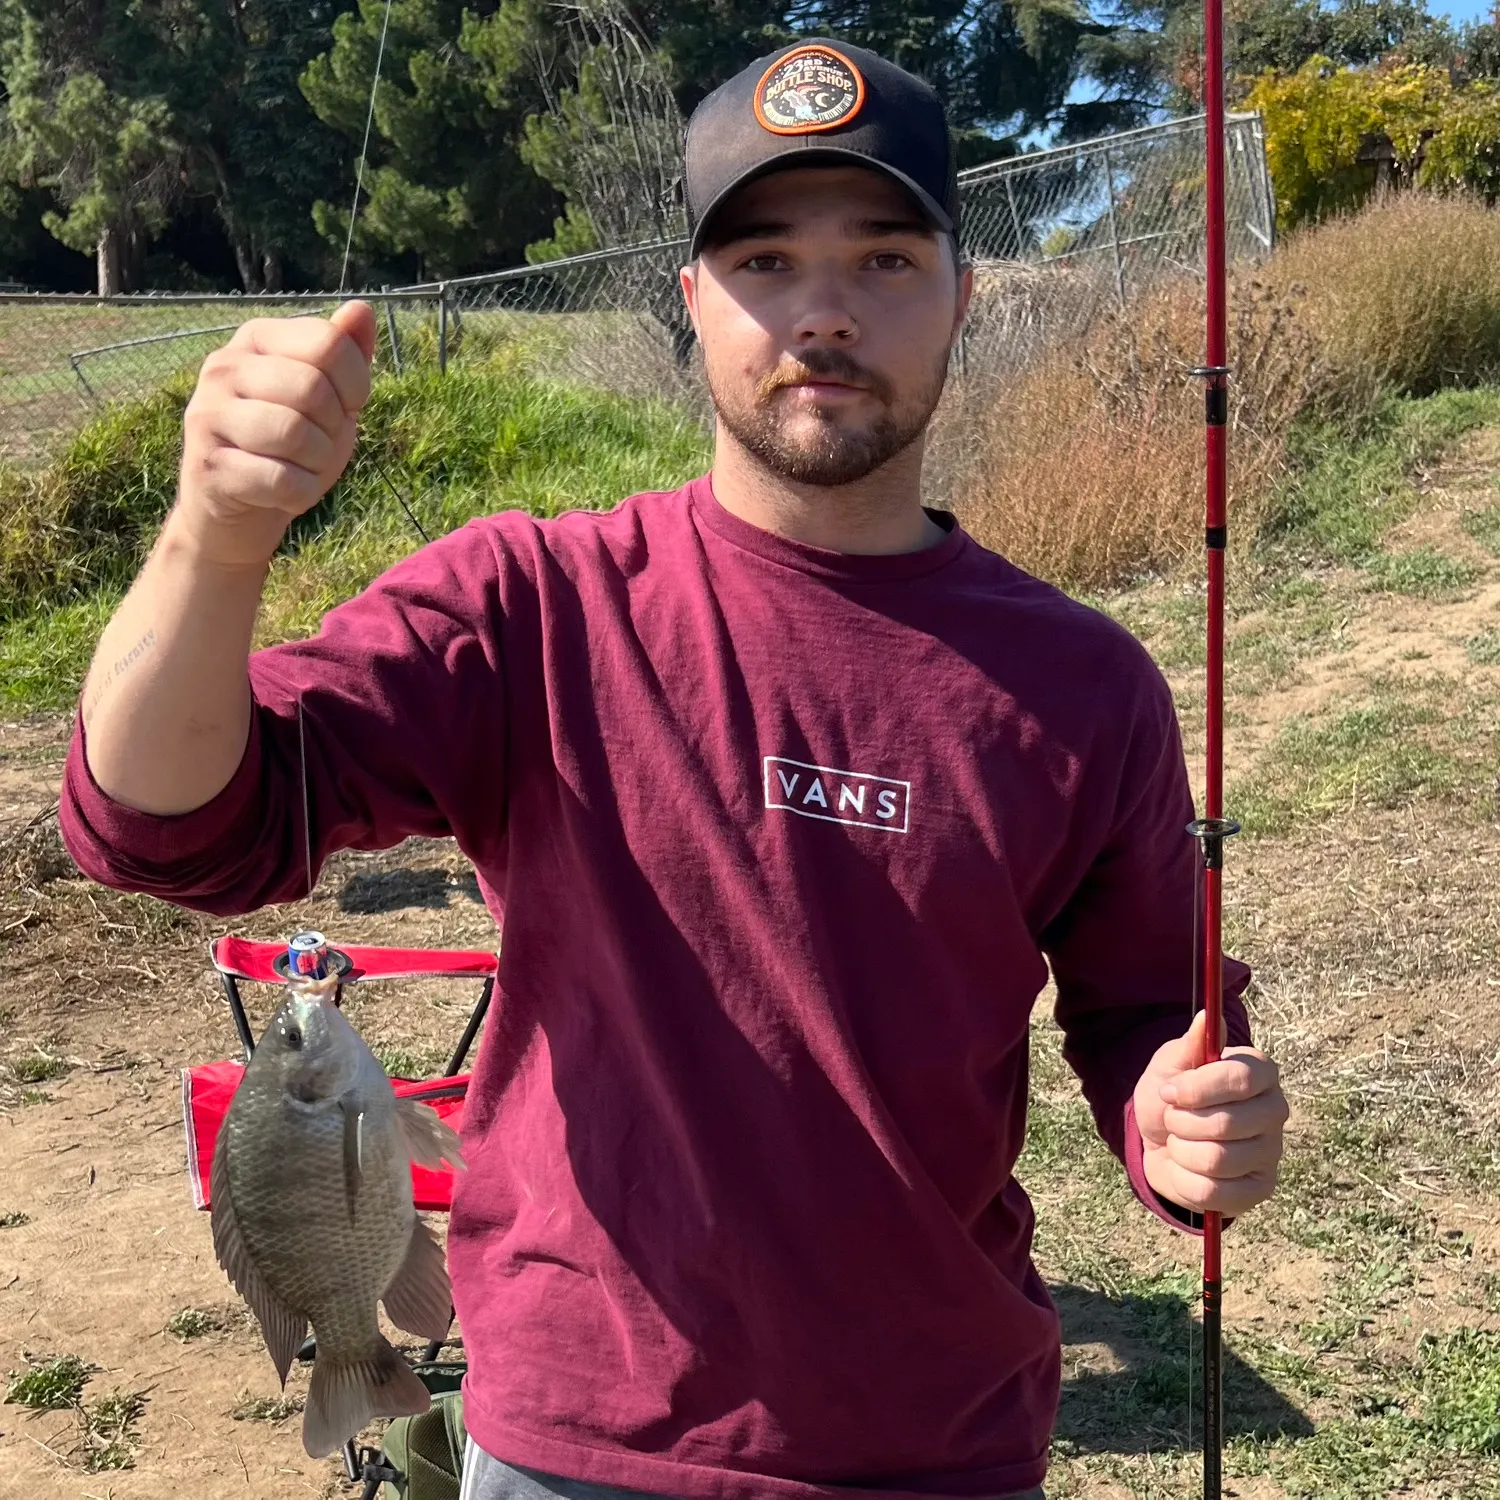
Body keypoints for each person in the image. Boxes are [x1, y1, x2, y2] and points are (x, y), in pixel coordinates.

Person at [58, 37, 1288, 1500]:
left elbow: (1151, 1004)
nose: (824, 312)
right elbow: (168, 827)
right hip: (576, 1444)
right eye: (766, 261)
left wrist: (1180, 1115)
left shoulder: (1086, 685)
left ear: (965, 293)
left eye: (887, 259)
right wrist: (214, 535)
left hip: (940, 1444)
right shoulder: (531, 602)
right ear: (692, 302)